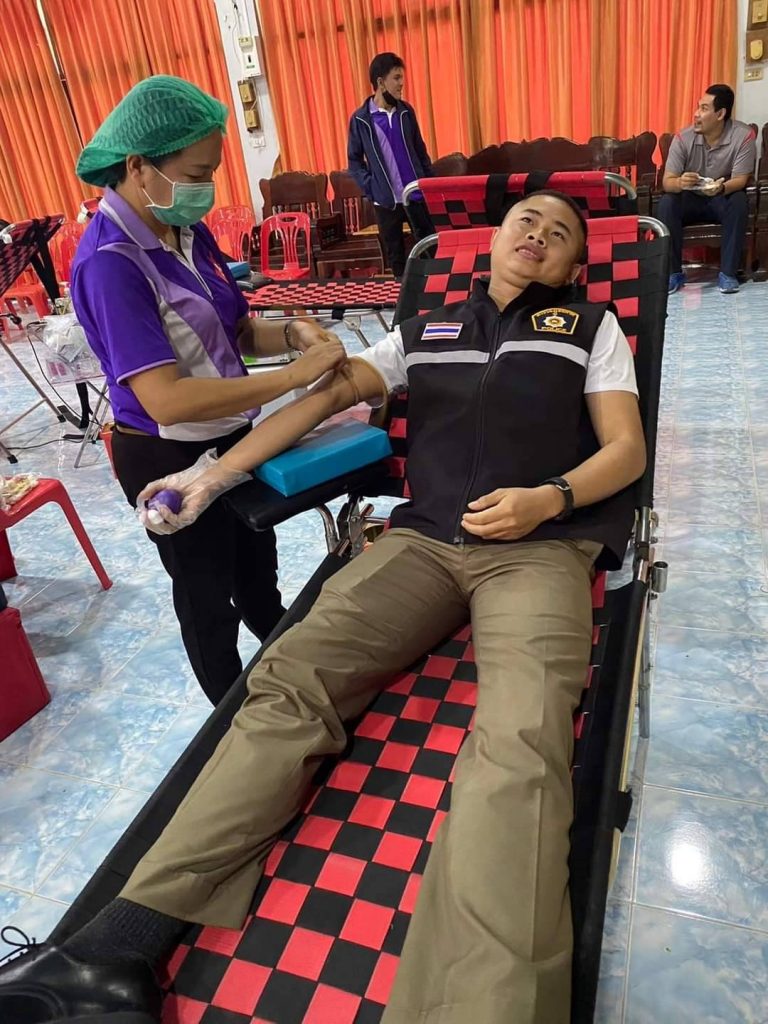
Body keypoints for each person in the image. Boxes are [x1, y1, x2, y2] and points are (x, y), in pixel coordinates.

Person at [0, 191, 646, 1024]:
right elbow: (318, 400)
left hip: (539, 548)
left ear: (574, 266)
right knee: (291, 677)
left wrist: (549, 499)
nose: (539, 235)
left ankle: (482, 1005)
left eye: (560, 234)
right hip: (423, 544)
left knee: (521, 737)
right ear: (494, 240)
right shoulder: (425, 330)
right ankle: (114, 950)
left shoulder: (590, 329)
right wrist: (210, 478)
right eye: (528, 220)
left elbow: (625, 449)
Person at [69, 75, 347, 705]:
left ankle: (292, 681)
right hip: (165, 453)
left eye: (212, 172)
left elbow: (237, 328)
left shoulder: (186, 232)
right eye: (197, 173)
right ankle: (231, 720)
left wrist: (296, 333)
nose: (207, 188)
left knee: (257, 574)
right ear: (138, 167)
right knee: (206, 597)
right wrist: (293, 377)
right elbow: (165, 397)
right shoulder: (111, 263)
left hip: (233, 437)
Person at [657, 83, 756, 295]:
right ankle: (673, 273)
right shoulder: (683, 138)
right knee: (667, 202)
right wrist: (680, 182)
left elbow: (740, 179)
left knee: (739, 200)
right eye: (697, 107)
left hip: (721, 196)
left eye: (703, 108)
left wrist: (721, 187)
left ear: (720, 114)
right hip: (690, 198)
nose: (696, 114)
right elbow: (667, 181)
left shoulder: (744, 136)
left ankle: (728, 274)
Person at [348, 52, 435, 278]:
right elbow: (354, 161)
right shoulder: (361, 120)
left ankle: (434, 294)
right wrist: (372, 187)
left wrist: (429, 184)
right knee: (396, 258)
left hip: (415, 196)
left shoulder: (406, 112)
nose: (401, 83)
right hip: (386, 202)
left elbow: (421, 152)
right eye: (396, 78)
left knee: (430, 250)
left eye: (401, 78)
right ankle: (402, 297)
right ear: (380, 82)